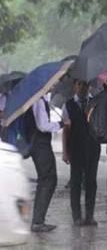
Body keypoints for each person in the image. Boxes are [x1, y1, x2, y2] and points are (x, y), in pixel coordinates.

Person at [62, 80, 101, 226]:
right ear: (74, 86)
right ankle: (76, 217)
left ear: (89, 86)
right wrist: (65, 151)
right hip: (75, 148)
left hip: (93, 147)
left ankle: (89, 216)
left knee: (91, 182)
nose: (82, 88)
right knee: (76, 181)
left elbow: (101, 123)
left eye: (85, 85)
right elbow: (65, 130)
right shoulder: (69, 105)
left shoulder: (96, 103)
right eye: (79, 84)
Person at [30, 93, 68, 232]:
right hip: (40, 144)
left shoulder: (41, 99)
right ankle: (38, 221)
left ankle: (39, 220)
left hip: (40, 143)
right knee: (48, 179)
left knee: (47, 179)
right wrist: (61, 123)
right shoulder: (38, 100)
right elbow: (42, 125)